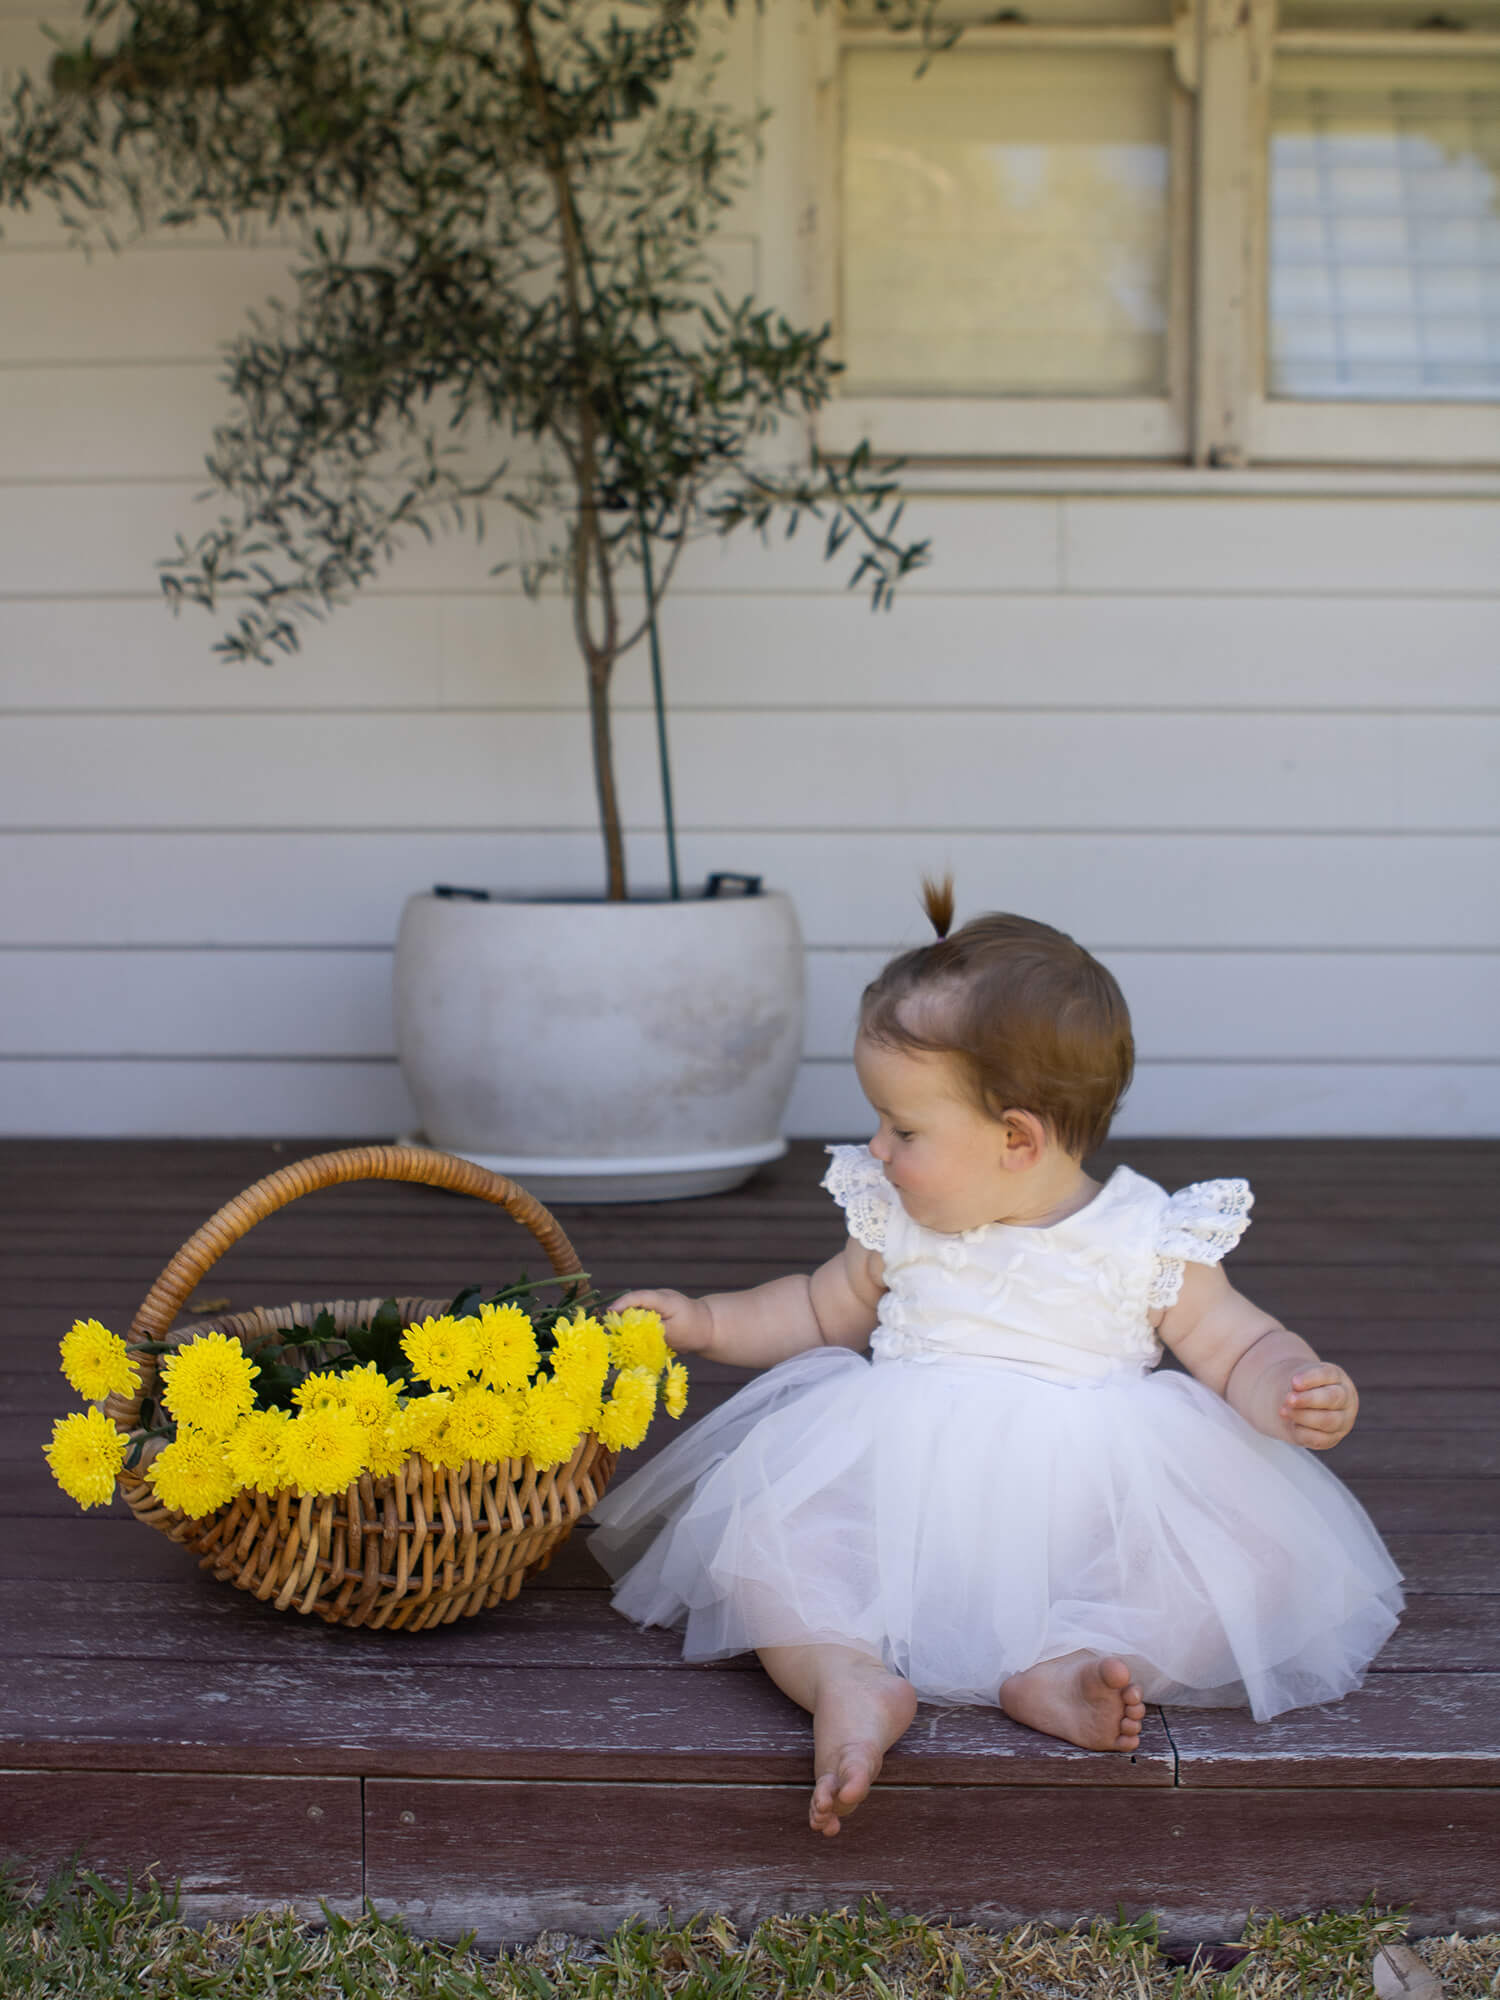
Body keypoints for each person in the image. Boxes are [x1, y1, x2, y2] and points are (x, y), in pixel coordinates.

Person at [588, 882, 1403, 1837]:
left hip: (1091, 1512)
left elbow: (1239, 1343)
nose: (876, 1149)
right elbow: (814, 1307)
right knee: (773, 1541)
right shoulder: (899, 1223)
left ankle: (1066, 1667)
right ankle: (843, 1675)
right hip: (897, 1494)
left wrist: (1290, 1387)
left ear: (1016, 1137)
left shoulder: (1147, 1236)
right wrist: (706, 1321)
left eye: (905, 1129)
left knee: (1245, 1562)